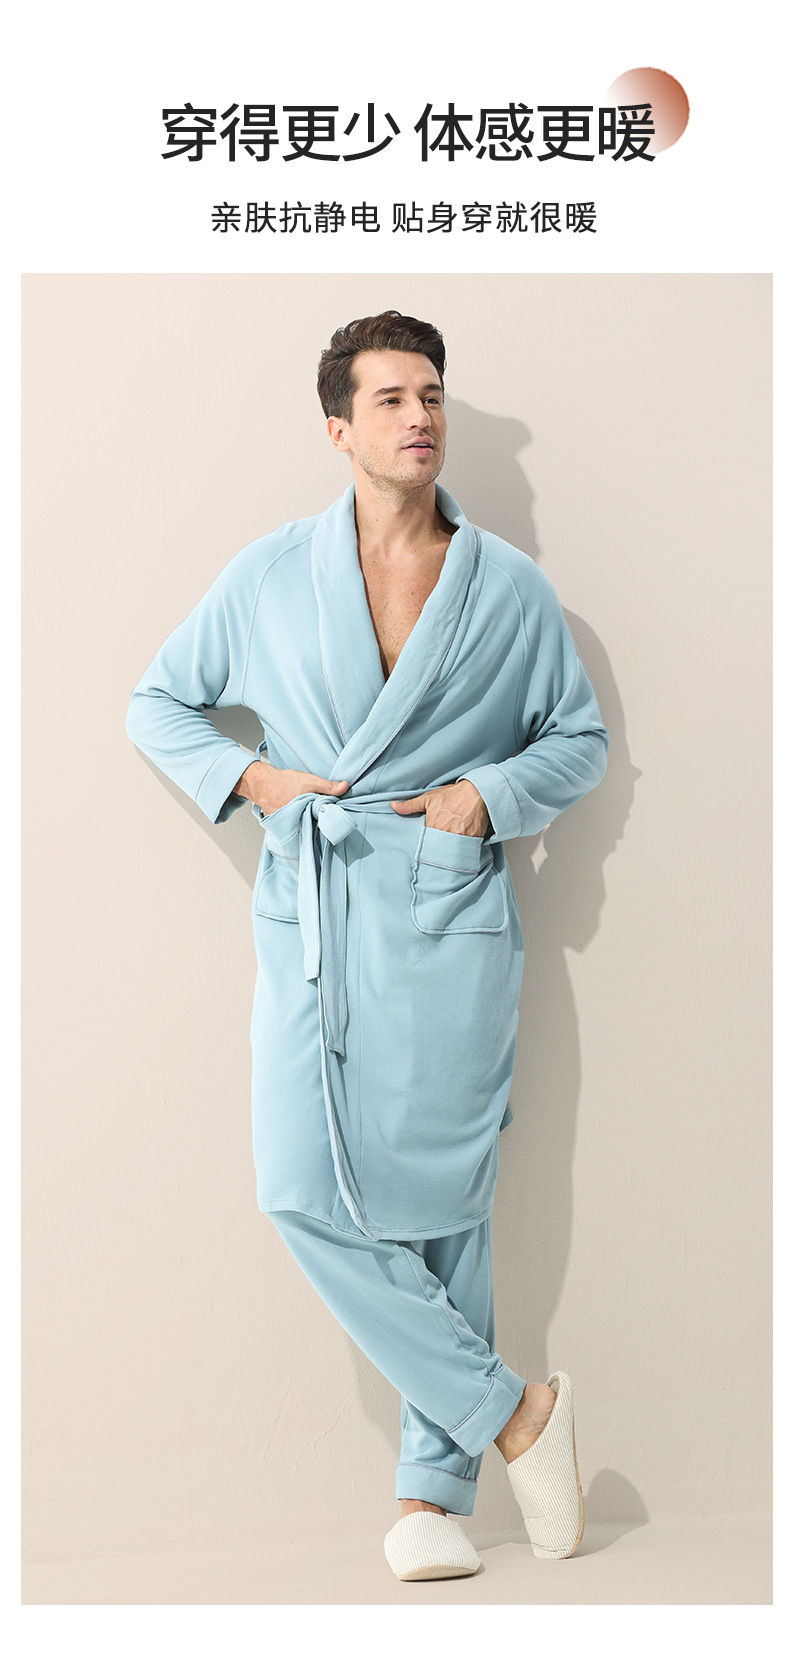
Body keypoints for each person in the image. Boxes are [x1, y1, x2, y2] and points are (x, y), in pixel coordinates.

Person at [126, 310, 609, 1582]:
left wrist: (488, 796)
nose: (419, 416)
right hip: (317, 906)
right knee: (297, 1180)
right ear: (337, 426)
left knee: (444, 1201)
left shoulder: (507, 587)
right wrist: (254, 779)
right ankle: (519, 1414)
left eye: (431, 393)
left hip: (449, 910)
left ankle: (428, 1498)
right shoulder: (269, 574)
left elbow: (577, 738)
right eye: (390, 397)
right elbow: (157, 700)